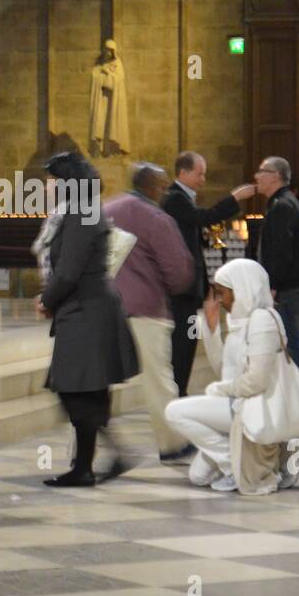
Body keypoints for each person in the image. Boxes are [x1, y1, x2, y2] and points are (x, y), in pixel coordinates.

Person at [33, 151, 140, 487]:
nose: (46, 187)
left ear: (67, 183)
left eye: (51, 181)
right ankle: (93, 463)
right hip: (86, 309)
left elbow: (68, 272)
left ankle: (86, 466)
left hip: (86, 312)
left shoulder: (80, 214)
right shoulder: (81, 211)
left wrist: (46, 299)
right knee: (86, 391)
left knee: (74, 389)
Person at [164, 259, 298, 495]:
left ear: (242, 288)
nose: (218, 300)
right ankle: (235, 462)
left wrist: (219, 390)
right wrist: (212, 328)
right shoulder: (239, 321)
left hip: (254, 407)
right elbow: (223, 370)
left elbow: (257, 381)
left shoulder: (262, 321)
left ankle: (235, 467)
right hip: (238, 403)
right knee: (198, 477)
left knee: (174, 412)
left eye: (221, 293)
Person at [105, 163, 196, 463]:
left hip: (104, 307)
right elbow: (179, 271)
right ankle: (171, 443)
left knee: (97, 381)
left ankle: (91, 449)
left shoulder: (105, 209)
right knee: (158, 381)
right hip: (146, 309)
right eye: (163, 185)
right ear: (153, 187)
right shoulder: (157, 218)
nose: (165, 191)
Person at [161, 151, 257, 396]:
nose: (203, 179)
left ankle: (180, 390)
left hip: (189, 288)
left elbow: (193, 236)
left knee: (189, 340)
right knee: (183, 342)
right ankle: (177, 392)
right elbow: (204, 218)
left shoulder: (183, 198)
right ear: (183, 173)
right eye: (199, 174)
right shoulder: (174, 198)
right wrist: (234, 199)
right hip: (180, 288)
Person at [252, 156, 299, 382]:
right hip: (291, 285)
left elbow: (281, 250)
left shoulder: (282, 205)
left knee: (293, 343)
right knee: (290, 341)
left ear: (276, 176)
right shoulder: (283, 202)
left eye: (262, 171)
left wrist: (273, 286)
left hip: (288, 288)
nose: (256, 176)